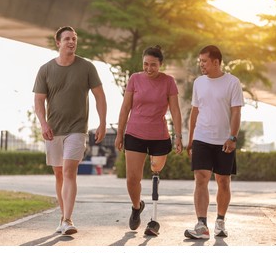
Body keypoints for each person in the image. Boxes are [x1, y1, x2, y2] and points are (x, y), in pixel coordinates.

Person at [33, 26, 107, 235]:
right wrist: (43, 123)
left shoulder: (87, 67)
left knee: (68, 171)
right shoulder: (46, 69)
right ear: (58, 43)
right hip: (53, 129)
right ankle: (62, 216)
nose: (72, 42)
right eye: (67, 39)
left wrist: (101, 123)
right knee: (58, 173)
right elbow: (38, 100)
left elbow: (99, 96)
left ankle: (67, 219)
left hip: (77, 128)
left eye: (74, 39)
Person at [115, 45, 183, 234]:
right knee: (132, 179)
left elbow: (175, 110)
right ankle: (137, 207)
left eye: (153, 65)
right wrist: (120, 133)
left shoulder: (168, 81)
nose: (149, 68)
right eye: (145, 64)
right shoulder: (135, 79)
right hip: (135, 133)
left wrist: (178, 136)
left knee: (155, 171)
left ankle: (153, 221)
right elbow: (125, 107)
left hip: (159, 136)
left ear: (161, 64)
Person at [184, 45, 244, 239]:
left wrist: (233, 137)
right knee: (200, 178)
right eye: (200, 61)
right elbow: (195, 111)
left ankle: (220, 221)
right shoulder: (199, 83)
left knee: (223, 181)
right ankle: (202, 225)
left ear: (216, 62)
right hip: (202, 137)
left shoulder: (232, 82)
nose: (201, 64)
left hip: (224, 140)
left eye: (204, 61)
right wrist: (191, 138)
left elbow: (236, 111)